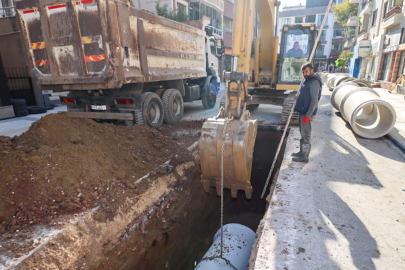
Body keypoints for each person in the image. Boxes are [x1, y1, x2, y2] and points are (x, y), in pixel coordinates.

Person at [291, 63, 322, 163]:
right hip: (303, 111)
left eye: (306, 72)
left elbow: (314, 100)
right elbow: (305, 94)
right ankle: (301, 152)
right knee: (302, 133)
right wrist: (298, 96)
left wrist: (308, 115)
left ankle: (304, 157)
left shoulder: (314, 82)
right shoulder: (308, 80)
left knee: (306, 134)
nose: (304, 74)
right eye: (303, 72)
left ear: (312, 71)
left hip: (307, 113)